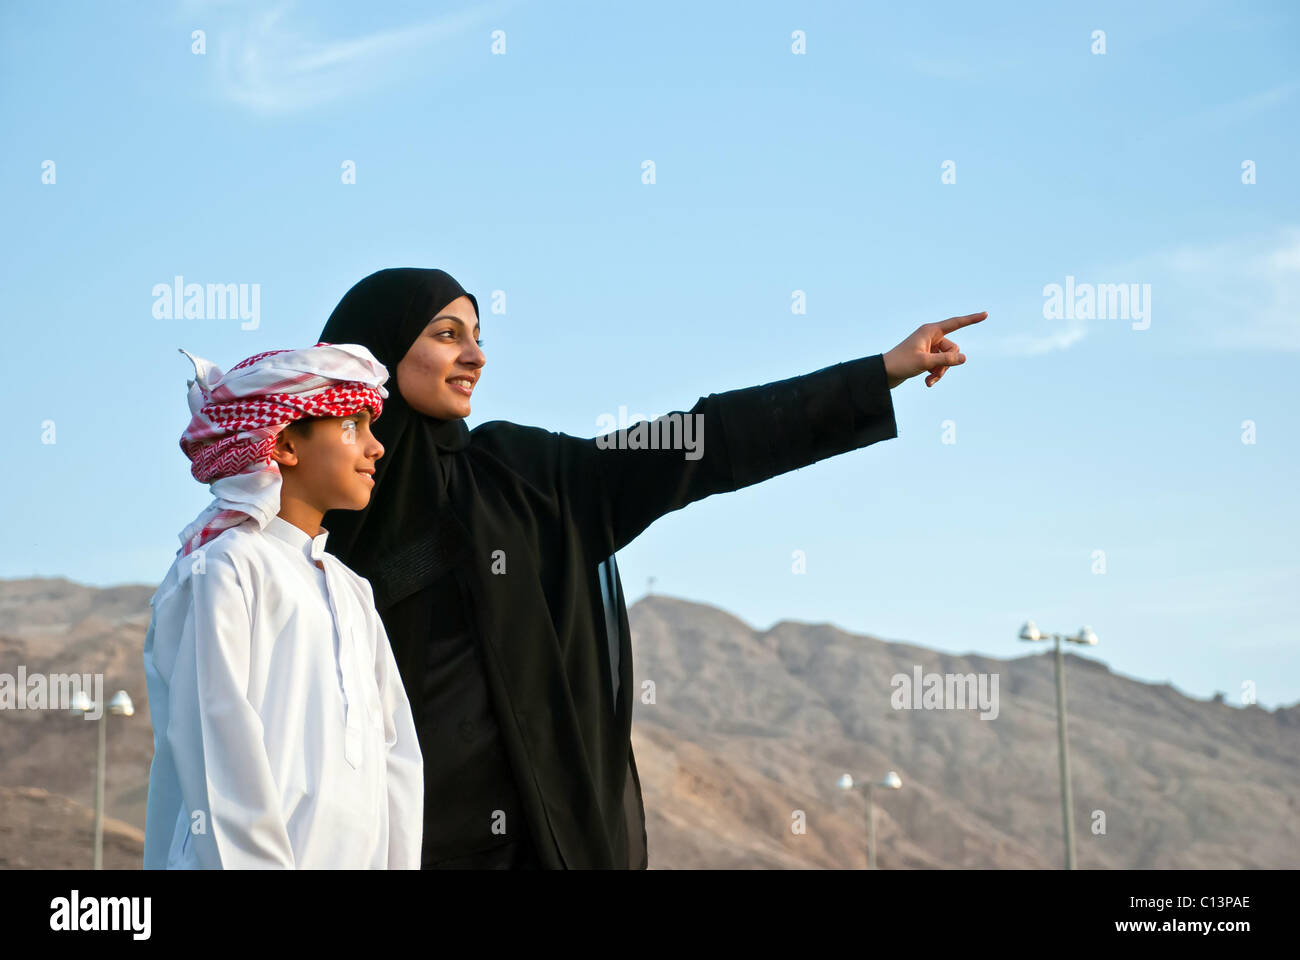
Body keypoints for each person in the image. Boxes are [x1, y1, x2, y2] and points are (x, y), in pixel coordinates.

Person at [319, 267, 985, 869]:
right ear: (377, 348)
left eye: (478, 335)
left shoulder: (525, 480)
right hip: (382, 844)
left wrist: (876, 376)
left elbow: (700, 441)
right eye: (447, 334)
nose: (476, 355)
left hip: (534, 847)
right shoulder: (310, 517)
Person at [142, 341, 423, 869]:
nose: (376, 448)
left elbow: (397, 759)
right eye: (353, 427)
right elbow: (217, 745)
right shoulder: (225, 569)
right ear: (286, 444)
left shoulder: (352, 590)